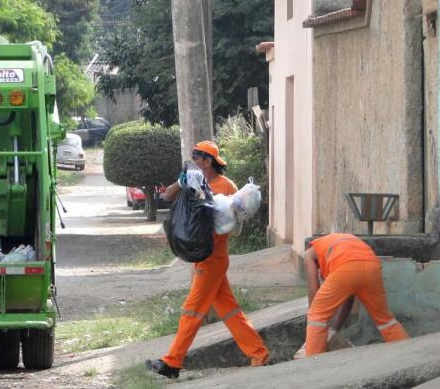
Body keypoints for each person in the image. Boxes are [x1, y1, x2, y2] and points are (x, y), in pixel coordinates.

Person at [146, 141, 270, 379]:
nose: (195, 162)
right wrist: (180, 182)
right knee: (231, 312)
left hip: (214, 257)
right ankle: (259, 354)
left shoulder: (226, 186)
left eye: (198, 158)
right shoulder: (192, 181)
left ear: (209, 160)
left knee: (192, 311)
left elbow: (234, 220)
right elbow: (167, 196)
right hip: (205, 257)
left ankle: (172, 362)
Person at [300, 233, 409, 357]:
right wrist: (334, 330)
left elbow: (313, 290)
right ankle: (407, 353)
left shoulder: (310, 252)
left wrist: (312, 328)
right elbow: (349, 297)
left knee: (317, 316)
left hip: (345, 267)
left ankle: (312, 362)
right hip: (372, 266)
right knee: (384, 319)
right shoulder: (337, 243)